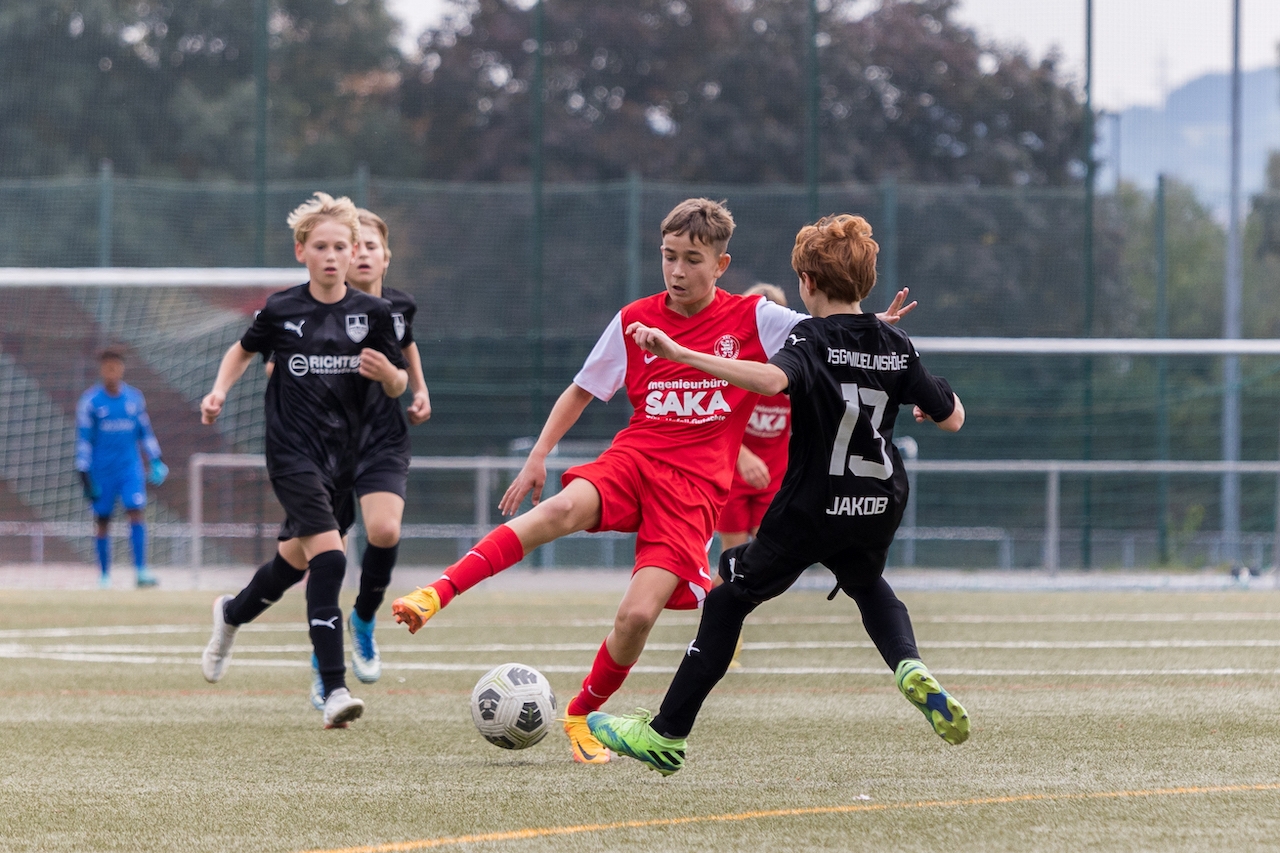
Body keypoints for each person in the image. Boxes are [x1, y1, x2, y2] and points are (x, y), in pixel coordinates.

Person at [391, 198, 915, 764]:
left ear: (721, 264)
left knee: (637, 617)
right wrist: (539, 455)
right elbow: (581, 390)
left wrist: (875, 328)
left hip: (693, 494)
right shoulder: (634, 319)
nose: (677, 270)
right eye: (668, 256)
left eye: (692, 259)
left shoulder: (756, 318)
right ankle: (435, 593)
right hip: (635, 460)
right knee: (558, 510)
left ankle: (580, 714)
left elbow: (833, 332)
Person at [587, 213, 969, 776]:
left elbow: (771, 380)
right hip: (878, 502)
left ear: (807, 284)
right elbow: (952, 417)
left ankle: (666, 734)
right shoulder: (896, 342)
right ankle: (909, 664)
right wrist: (924, 397)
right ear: (865, 282)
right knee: (866, 583)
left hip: (812, 507)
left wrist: (680, 353)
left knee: (727, 599)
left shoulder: (808, 336)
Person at [198, 192, 408, 729]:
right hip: (292, 455)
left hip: (344, 460)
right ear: (301, 252)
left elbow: (398, 382)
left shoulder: (373, 314)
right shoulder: (281, 310)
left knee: (292, 563)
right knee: (331, 560)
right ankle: (334, 689)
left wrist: (389, 375)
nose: (332, 255)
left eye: (341, 246)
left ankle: (231, 613)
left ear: (353, 251)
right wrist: (219, 391)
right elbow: (242, 350)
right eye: (321, 246)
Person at [301, 208, 433, 710]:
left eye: (370, 246)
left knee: (384, 530)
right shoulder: (318, 308)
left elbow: (407, 344)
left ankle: (362, 618)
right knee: (323, 559)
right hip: (327, 444)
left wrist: (419, 389)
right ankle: (325, 664)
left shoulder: (399, 307)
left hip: (382, 439)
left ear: (385, 256)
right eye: (352, 247)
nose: (359, 255)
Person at [75, 348, 168, 589]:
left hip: (130, 469)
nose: (111, 371)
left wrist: (155, 460)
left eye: (115, 367)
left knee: (136, 511)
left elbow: (145, 432)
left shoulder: (134, 399)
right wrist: (83, 472)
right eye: (107, 367)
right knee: (102, 520)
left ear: (122, 369)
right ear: (101, 370)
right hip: (101, 471)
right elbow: (84, 440)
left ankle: (141, 571)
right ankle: (104, 574)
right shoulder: (90, 402)